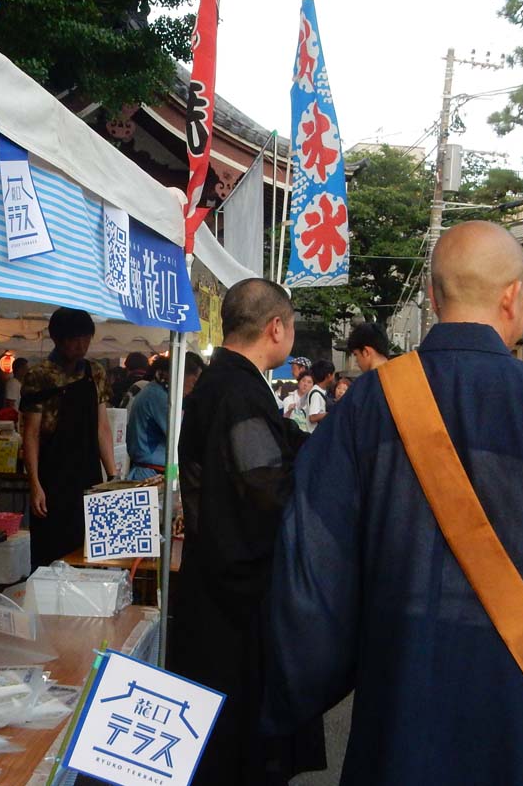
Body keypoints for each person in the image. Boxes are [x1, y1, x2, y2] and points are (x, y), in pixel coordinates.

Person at [268, 221, 523, 786]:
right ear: (513, 298)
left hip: (396, 725)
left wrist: (294, 696)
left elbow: (310, 577)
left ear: (433, 298)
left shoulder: (362, 409)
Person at [171, 278, 325, 786]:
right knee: (240, 748)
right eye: (292, 326)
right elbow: (265, 487)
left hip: (213, 581)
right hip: (236, 594)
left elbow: (282, 445)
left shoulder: (223, 383)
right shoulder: (239, 392)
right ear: (276, 327)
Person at [22, 308, 116, 568]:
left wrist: (113, 477)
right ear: (57, 338)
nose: (82, 345)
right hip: (52, 477)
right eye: (75, 339)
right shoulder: (39, 376)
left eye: (86, 338)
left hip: (89, 476)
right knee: (51, 554)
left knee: (90, 553)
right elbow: (31, 434)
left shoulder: (95, 372)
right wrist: (35, 484)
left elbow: (102, 427)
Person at [125, 353, 207, 481]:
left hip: (163, 470)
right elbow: (183, 436)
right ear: (181, 375)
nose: (194, 388)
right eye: (194, 381)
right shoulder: (159, 397)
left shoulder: (159, 392)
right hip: (151, 473)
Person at [305, 359, 335, 429]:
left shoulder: (322, 391)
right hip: (315, 433)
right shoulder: (316, 394)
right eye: (333, 374)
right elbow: (312, 417)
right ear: (329, 375)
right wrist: (332, 413)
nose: (334, 377)